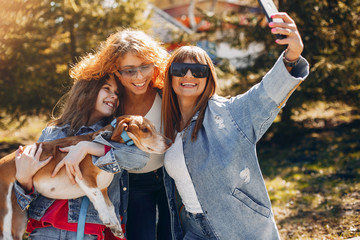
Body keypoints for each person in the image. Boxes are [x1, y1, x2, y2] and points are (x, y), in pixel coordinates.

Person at [161, 13, 309, 239]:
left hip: (239, 227)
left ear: (208, 77)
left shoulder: (229, 114)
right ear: (170, 76)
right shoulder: (165, 125)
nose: (188, 75)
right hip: (192, 229)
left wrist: (292, 56)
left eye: (198, 70)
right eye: (179, 69)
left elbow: (265, 95)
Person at [52, 29, 182, 240]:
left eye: (145, 67)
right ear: (116, 71)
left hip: (170, 178)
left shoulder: (165, 94)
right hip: (133, 183)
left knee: (173, 234)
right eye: (129, 70)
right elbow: (92, 136)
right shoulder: (113, 105)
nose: (139, 76)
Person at [14, 74, 127, 239]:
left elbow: (129, 162)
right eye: (107, 88)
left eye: (117, 92)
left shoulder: (112, 138)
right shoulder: (52, 133)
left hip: (86, 231)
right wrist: (23, 180)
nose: (114, 96)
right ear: (87, 91)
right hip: (45, 231)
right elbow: (30, 192)